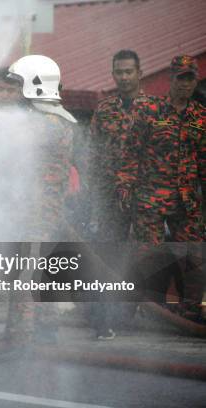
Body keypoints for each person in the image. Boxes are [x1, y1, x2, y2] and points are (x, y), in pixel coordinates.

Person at [0, 55, 75, 346]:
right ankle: (45, 329)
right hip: (41, 208)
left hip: (36, 211)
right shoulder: (56, 119)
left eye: (19, 85)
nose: (15, 93)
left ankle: (19, 341)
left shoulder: (44, 123)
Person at [117, 55, 205, 320]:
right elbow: (131, 152)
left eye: (189, 78)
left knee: (194, 254)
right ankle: (143, 309)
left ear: (195, 80)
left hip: (186, 200)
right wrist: (125, 185)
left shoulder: (200, 116)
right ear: (171, 79)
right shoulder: (150, 111)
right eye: (180, 78)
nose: (184, 84)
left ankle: (187, 310)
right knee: (148, 255)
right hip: (150, 198)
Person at [88, 50, 150, 339]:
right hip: (111, 199)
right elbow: (94, 154)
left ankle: (139, 315)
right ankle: (104, 318)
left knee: (143, 257)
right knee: (108, 256)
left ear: (140, 72)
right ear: (113, 75)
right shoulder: (104, 110)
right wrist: (94, 198)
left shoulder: (156, 109)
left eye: (128, 71)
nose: (123, 77)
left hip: (146, 199)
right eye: (118, 72)